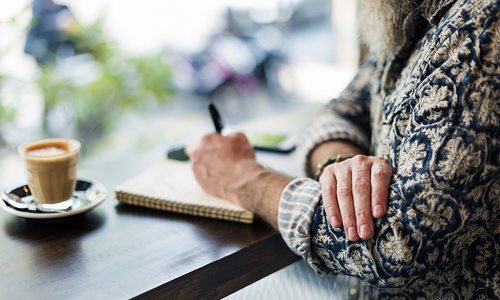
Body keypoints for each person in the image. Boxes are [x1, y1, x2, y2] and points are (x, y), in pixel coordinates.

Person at [188, 0, 500, 298]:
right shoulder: (410, 15)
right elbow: (341, 111)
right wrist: (340, 166)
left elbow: (399, 244)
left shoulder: (483, 25)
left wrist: (246, 179)